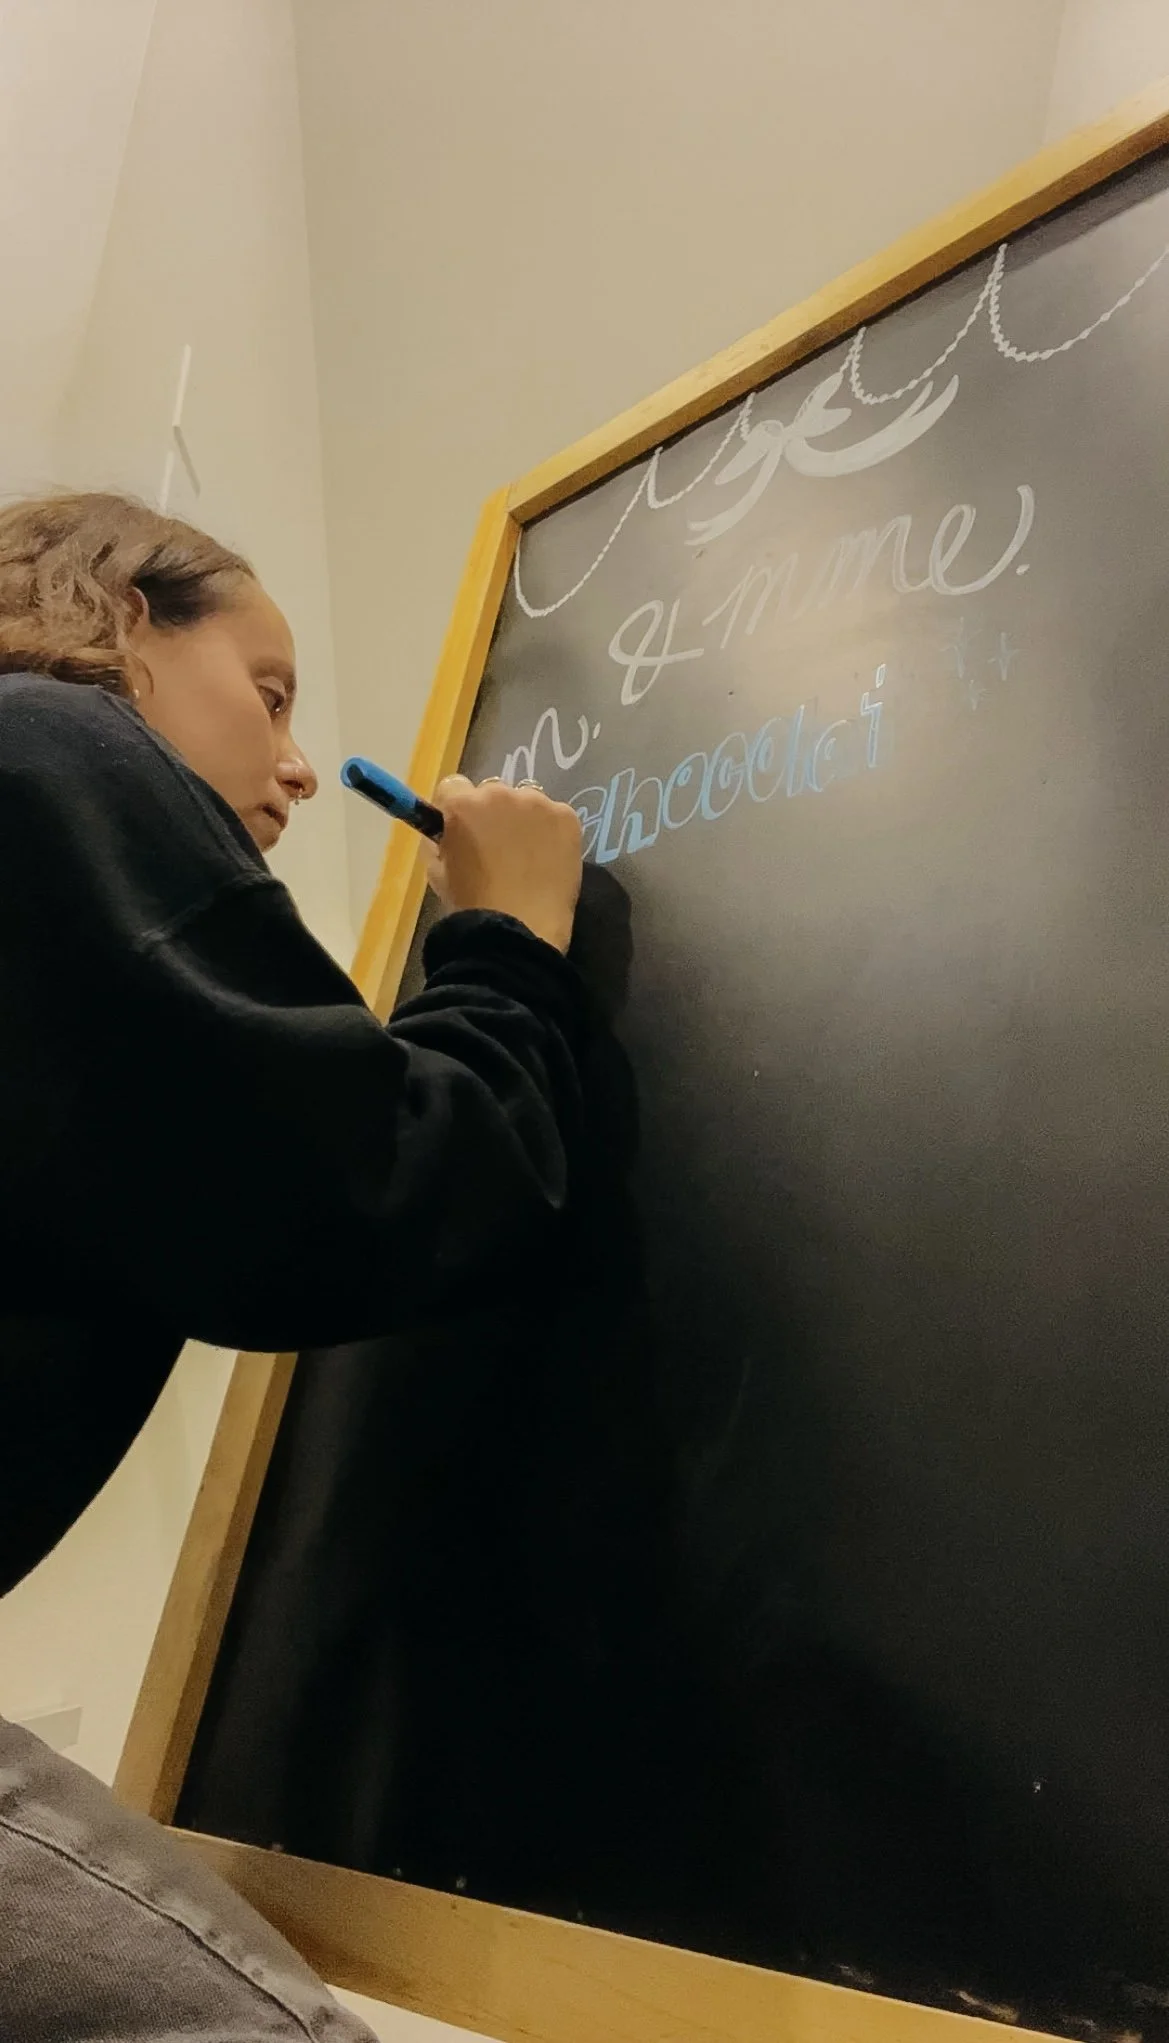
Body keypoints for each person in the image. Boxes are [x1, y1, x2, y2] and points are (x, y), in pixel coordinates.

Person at [0, 492, 590, 2039]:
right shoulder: (55, 751)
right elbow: (365, 1196)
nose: (299, 765)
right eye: (268, 694)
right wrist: (511, 938)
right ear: (123, 617)